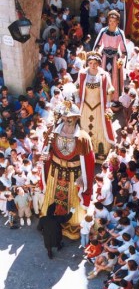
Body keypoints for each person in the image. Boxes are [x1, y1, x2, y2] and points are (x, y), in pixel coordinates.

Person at [40, 101, 95, 239]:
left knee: (72, 201)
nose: (66, 122)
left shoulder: (83, 138)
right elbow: (47, 150)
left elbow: (88, 162)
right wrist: (45, 157)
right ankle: (50, 221)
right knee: (53, 198)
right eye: (63, 119)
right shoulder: (53, 132)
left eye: (69, 119)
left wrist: (84, 177)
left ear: (76, 118)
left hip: (73, 176)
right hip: (55, 172)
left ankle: (71, 224)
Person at [93, 10, 127, 101]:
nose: (112, 23)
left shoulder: (120, 33)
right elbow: (98, 45)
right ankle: (101, 96)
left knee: (115, 78)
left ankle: (115, 98)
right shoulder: (103, 31)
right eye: (110, 21)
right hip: (104, 57)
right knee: (103, 75)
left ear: (117, 22)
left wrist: (122, 59)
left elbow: (124, 49)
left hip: (115, 58)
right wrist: (95, 54)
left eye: (114, 21)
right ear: (108, 21)